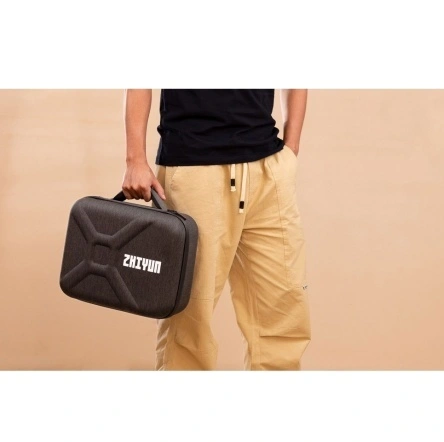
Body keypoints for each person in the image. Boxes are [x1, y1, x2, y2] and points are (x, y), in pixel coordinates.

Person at [122, 89, 311, 370]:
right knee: (188, 321)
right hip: (195, 170)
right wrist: (135, 159)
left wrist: (291, 149)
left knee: (283, 312)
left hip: (267, 171)